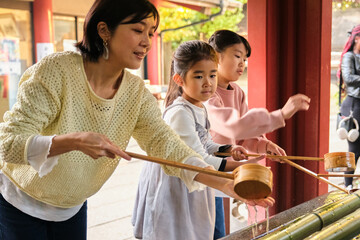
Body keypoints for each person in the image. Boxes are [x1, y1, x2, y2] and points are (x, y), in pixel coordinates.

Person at [0, 2, 261, 239]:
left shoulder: (134, 92)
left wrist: (225, 184)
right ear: (104, 30)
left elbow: (167, 146)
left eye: (151, 33)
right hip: (19, 201)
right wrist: (74, 141)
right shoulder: (58, 71)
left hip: (72, 206)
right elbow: (8, 143)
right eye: (138, 30)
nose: (147, 42)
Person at [132, 40, 274, 240]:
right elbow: (198, 158)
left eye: (212, 75)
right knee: (177, 232)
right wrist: (240, 167)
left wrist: (227, 149)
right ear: (179, 79)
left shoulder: (198, 106)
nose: (208, 82)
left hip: (196, 179)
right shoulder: (180, 113)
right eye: (199, 76)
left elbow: (205, 144)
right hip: (179, 185)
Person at [205, 29, 311, 239]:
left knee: (218, 230)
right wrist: (281, 114)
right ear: (216, 56)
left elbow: (243, 135)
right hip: (205, 171)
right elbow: (233, 127)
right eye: (237, 56)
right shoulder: (206, 90)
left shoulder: (237, 91)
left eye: (244, 59)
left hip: (225, 172)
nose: (242, 63)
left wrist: (264, 145)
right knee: (210, 230)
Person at [338, 24, 360, 191]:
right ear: (357, 38)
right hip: (354, 104)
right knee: (354, 147)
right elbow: (348, 78)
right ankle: (348, 185)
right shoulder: (349, 57)